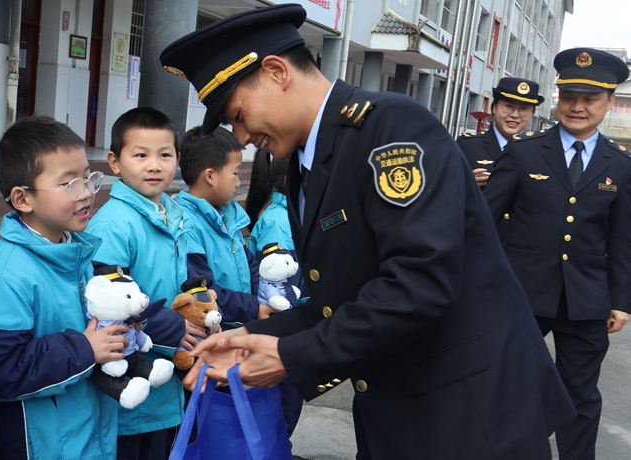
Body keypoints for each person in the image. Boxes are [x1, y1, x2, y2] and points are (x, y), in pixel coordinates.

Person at [159, 4, 576, 458]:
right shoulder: (308, 160)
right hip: (401, 407)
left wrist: (291, 357)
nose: (239, 136)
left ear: (277, 72)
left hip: (468, 413)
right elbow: (342, 297)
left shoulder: (391, 129)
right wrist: (256, 338)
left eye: (238, 114)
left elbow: (419, 283)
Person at [483, 47, 631, 460]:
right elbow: (483, 222)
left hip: (586, 300)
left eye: (589, 99)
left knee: (580, 395)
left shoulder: (619, 165)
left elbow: (621, 239)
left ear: (608, 102)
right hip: (522, 294)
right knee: (510, 387)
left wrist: (621, 300)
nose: (577, 107)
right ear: (558, 98)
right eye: (569, 97)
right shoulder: (525, 151)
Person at [0, 116, 125, 459]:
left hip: (82, 435)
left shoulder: (73, 251)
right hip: (40, 445)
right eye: (69, 184)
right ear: (23, 199)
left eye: (87, 177)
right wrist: (84, 348)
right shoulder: (7, 276)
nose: (86, 193)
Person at [86, 107, 190, 460]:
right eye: (140, 155)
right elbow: (109, 300)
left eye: (165, 155)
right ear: (114, 162)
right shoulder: (114, 224)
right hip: (131, 382)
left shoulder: (172, 213)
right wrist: (176, 327)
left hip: (169, 376)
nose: (154, 165)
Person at [177, 126, 276, 328]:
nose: (239, 182)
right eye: (235, 173)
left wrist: (267, 296)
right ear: (210, 176)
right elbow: (204, 290)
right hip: (218, 331)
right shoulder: (186, 226)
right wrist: (254, 308)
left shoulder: (226, 216)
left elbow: (251, 265)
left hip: (242, 324)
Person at [245, 146, 306, 437]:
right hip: (282, 334)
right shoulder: (279, 222)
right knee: (278, 420)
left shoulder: (287, 214)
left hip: (288, 332)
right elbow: (281, 287)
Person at [456, 77, 543, 187]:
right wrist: (466, 184)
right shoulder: (467, 145)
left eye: (524, 108)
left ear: (532, 114)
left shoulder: (537, 153)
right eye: (508, 106)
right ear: (494, 108)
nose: (515, 115)